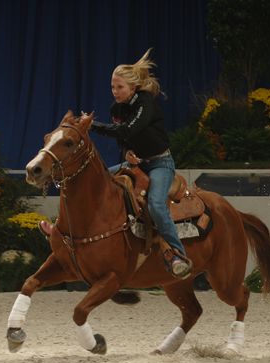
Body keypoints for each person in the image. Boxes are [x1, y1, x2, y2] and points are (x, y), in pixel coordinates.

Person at [40, 48, 192, 279]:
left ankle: (178, 254)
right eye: (113, 87)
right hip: (136, 164)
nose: (115, 91)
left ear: (133, 87)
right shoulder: (116, 109)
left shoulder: (145, 102)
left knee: (157, 205)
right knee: (94, 183)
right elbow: (124, 138)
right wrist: (128, 151)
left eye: (120, 87)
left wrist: (92, 126)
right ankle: (63, 231)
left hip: (160, 164)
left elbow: (129, 129)